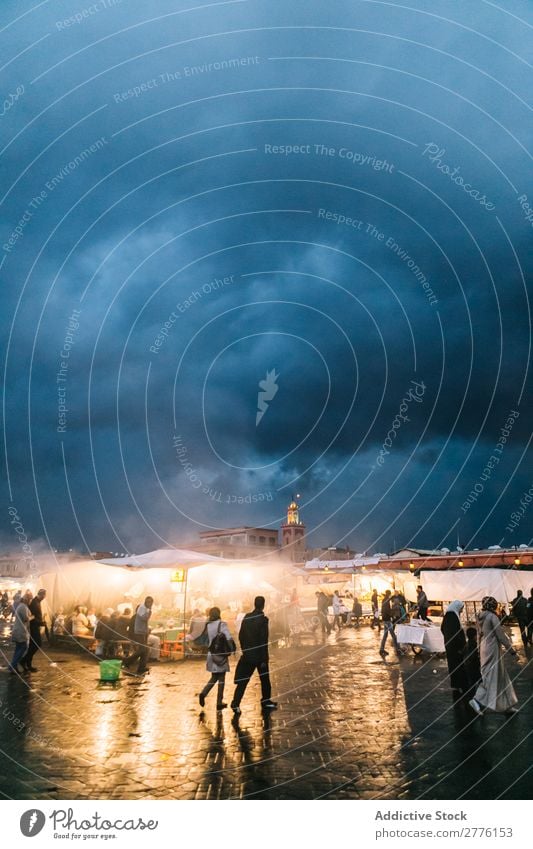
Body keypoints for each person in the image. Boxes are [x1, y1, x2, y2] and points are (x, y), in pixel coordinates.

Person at [469, 596, 519, 716]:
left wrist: (478, 648)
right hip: (492, 649)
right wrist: (511, 650)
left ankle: (507, 705)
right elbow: (500, 636)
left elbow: (479, 634)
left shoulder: (480, 616)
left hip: (484, 648)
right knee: (494, 678)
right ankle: (476, 700)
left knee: (495, 676)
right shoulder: (492, 617)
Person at [231, 596, 277, 715]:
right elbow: (263, 640)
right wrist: (264, 658)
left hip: (248, 655)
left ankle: (235, 703)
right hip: (259, 656)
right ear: (263, 605)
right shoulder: (263, 620)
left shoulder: (247, 617)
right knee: (265, 680)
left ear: (254, 604)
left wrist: (245, 649)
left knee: (244, 681)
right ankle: (265, 701)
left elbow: (241, 635)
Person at [198, 606, 236, 710]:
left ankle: (203, 693)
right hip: (220, 655)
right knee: (221, 679)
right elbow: (228, 638)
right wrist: (232, 649)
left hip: (211, 654)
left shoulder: (208, 625)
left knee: (214, 677)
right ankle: (219, 702)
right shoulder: (221, 624)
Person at [440, 600, 469, 696]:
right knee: (457, 665)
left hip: (450, 645)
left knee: (453, 665)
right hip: (455, 647)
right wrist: (461, 645)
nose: (461, 611)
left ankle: (456, 685)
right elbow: (456, 633)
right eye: (461, 609)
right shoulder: (452, 616)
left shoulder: (449, 615)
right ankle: (460, 685)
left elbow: (442, 628)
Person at [123, 596, 153, 675]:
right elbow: (132, 630)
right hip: (135, 636)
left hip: (139, 635)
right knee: (144, 649)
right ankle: (127, 661)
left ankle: (140, 667)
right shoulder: (136, 617)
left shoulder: (136, 616)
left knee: (145, 649)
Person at [9, 590, 32, 674]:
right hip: (20, 631)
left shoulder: (22, 606)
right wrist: (32, 617)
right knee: (23, 647)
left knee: (18, 649)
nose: (30, 601)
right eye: (30, 599)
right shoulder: (23, 607)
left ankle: (13, 666)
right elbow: (26, 618)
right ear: (27, 600)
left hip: (20, 630)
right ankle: (12, 666)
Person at [23, 589, 46, 672]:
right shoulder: (34, 603)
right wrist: (41, 623)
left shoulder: (37, 602)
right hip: (33, 627)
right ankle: (24, 661)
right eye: (44, 595)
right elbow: (32, 617)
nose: (44, 597)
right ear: (41, 595)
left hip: (36, 626)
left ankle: (28, 664)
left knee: (32, 646)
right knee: (37, 644)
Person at [379, 590, 401, 657]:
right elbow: (386, 610)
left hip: (385, 619)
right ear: (389, 594)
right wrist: (392, 614)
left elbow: (385, 610)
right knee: (393, 635)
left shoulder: (385, 600)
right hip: (387, 620)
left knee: (385, 635)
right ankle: (397, 649)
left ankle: (381, 649)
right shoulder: (386, 601)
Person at [464, 626, 481, 699]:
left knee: (472, 682)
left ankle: (471, 696)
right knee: (478, 681)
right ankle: (474, 697)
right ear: (474, 636)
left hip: (468, 666)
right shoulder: (473, 644)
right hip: (473, 666)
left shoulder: (467, 644)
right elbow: (473, 656)